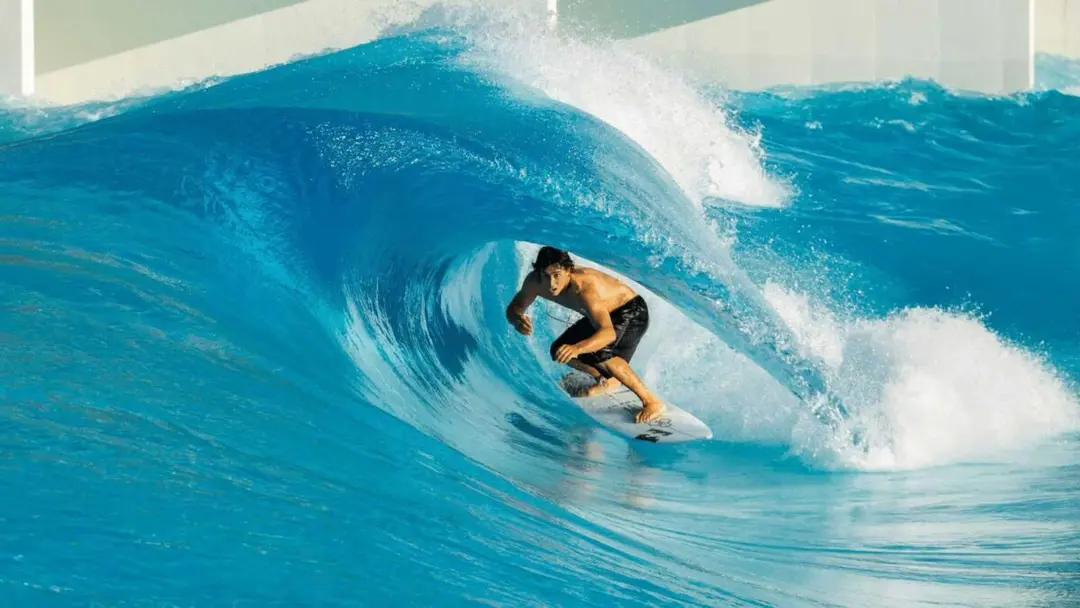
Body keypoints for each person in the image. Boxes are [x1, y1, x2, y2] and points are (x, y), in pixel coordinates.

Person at [505, 246, 666, 423]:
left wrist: (577, 348)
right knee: (558, 349)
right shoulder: (535, 282)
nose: (551, 283)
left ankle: (652, 402)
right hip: (603, 315)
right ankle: (607, 380)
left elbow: (608, 333)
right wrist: (516, 319)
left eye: (557, 275)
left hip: (632, 312)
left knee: (597, 351)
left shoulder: (583, 288)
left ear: (568, 270)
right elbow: (515, 307)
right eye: (546, 275)